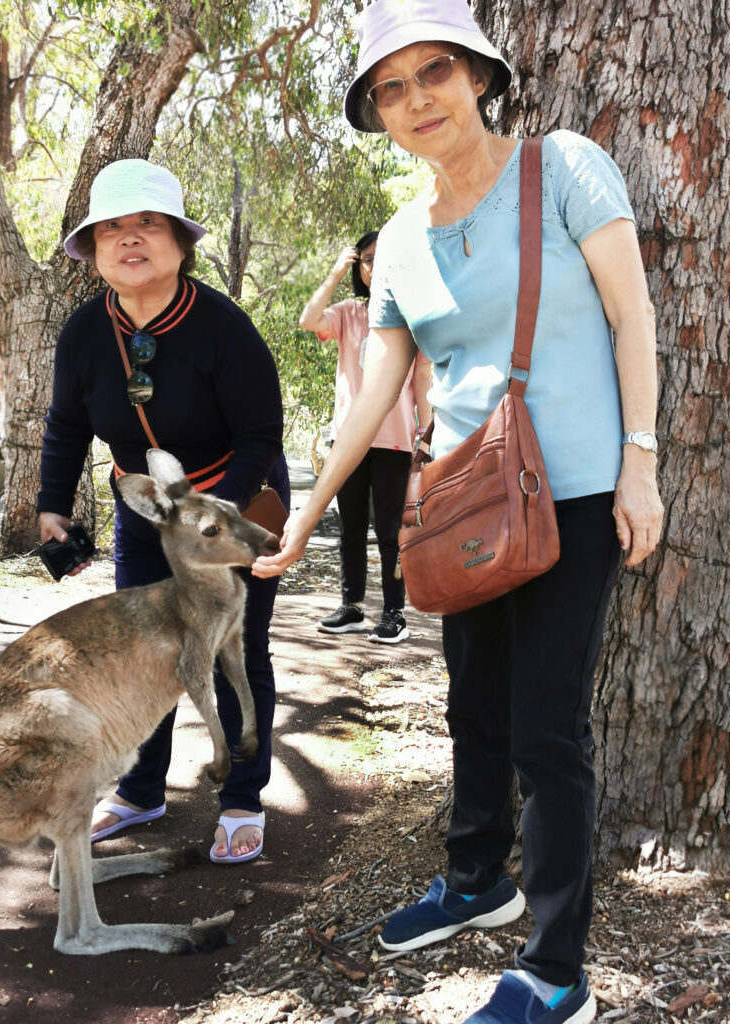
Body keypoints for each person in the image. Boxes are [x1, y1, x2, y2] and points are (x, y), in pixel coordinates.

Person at [255, 0, 664, 1020]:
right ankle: (477, 878)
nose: (415, 99)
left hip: (573, 498)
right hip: (462, 504)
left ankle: (553, 969)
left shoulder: (564, 169)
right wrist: (308, 514)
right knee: (472, 706)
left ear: (479, 76)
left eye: (432, 71)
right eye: (389, 89)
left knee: (546, 728)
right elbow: (373, 394)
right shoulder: (399, 240)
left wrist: (640, 463)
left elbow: (633, 318)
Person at [37, 159, 289, 864]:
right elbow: (65, 426)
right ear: (93, 252)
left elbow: (260, 436)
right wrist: (53, 505)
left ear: (179, 241)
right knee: (145, 653)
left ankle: (242, 797)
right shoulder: (84, 333)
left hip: (229, 504)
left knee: (234, 650)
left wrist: (216, 517)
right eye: (111, 228)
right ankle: (141, 790)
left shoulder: (223, 327)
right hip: (146, 512)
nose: (129, 237)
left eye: (148, 222)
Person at [299, 231, 432, 643]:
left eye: (382, 258)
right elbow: (308, 320)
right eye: (367, 259)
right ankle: (352, 607)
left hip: (395, 442)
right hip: (347, 441)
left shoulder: (411, 318)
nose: (375, 266)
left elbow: (422, 379)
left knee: (391, 532)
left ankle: (395, 614)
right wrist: (336, 273)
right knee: (351, 530)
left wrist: (425, 437)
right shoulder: (348, 313)